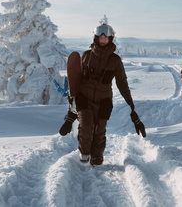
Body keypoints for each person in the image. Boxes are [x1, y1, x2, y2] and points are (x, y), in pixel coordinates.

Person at [59, 22, 146, 166]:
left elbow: (122, 83)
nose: (103, 39)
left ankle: (97, 157)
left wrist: (132, 107)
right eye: (101, 36)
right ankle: (85, 153)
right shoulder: (86, 56)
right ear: (96, 37)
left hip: (104, 99)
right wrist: (71, 114)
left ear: (110, 38)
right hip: (84, 97)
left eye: (106, 37)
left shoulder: (115, 61)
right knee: (86, 126)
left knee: (100, 131)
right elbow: (76, 80)